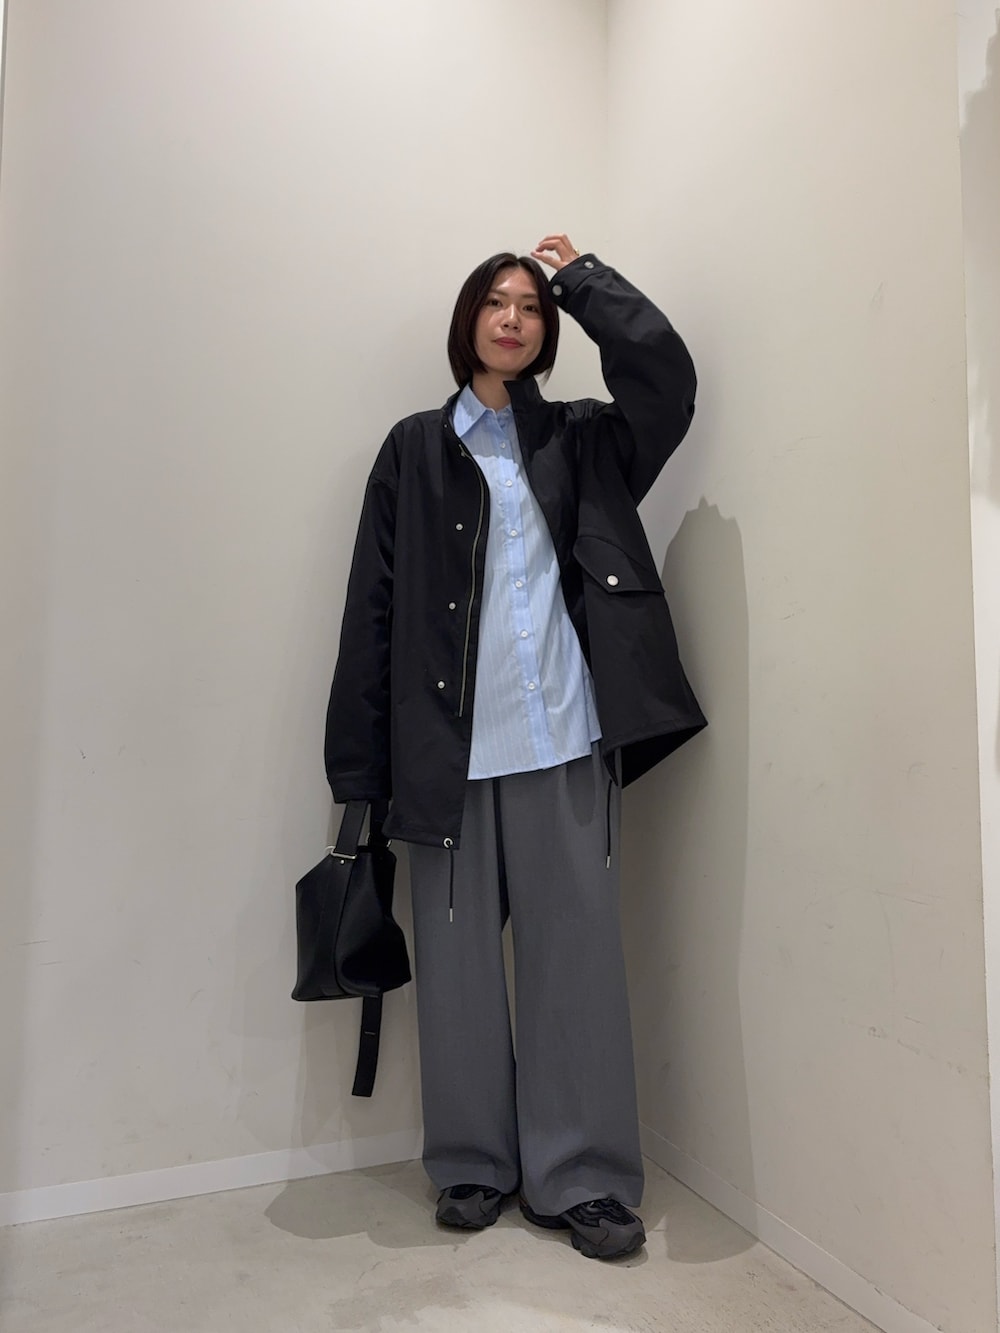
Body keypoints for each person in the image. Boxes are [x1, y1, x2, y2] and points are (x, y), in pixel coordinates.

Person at [324, 233, 706, 1260]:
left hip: (564, 738)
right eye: (497, 301)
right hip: (446, 756)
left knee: (576, 963)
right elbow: (371, 613)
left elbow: (666, 381)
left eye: (530, 306)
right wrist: (357, 774)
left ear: (546, 330)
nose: (513, 317)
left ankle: (584, 1177)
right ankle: (471, 1163)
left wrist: (584, 280)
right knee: (455, 973)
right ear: (468, 322)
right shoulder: (412, 450)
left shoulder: (583, 438)